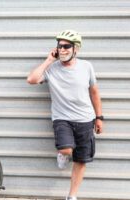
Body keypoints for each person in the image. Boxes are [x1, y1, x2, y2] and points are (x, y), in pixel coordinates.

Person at [27, 30, 103, 200]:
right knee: (66, 149)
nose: (62, 49)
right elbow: (31, 79)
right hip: (62, 119)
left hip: (85, 119)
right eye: (59, 46)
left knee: (81, 160)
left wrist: (99, 117)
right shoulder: (51, 68)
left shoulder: (86, 66)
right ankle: (63, 154)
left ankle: (72, 196)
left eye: (66, 46)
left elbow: (94, 93)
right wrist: (48, 60)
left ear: (76, 49)